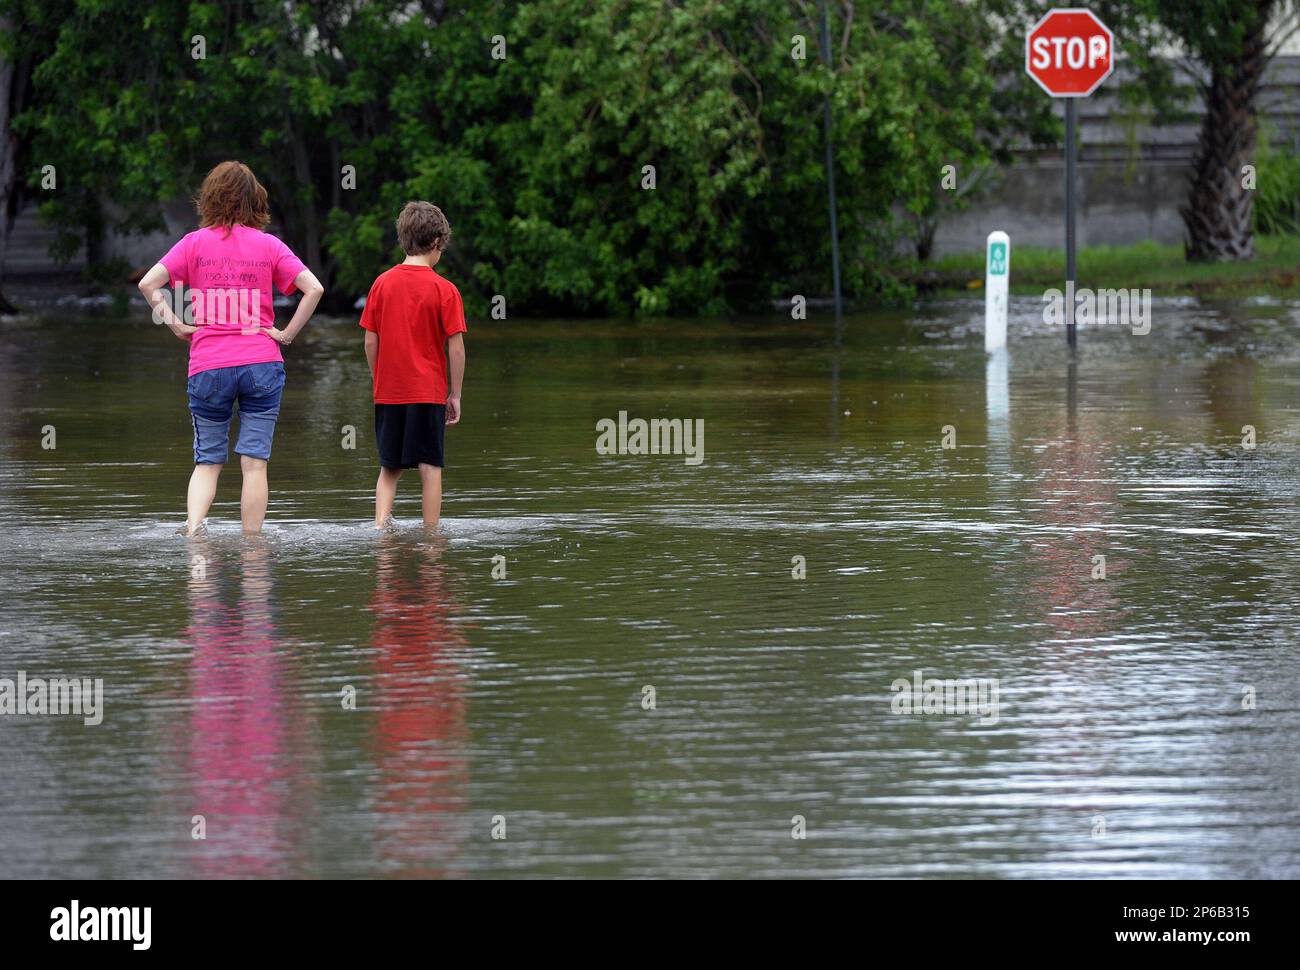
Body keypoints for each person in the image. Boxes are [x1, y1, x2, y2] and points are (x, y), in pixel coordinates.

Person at [138, 160, 324, 536]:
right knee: (254, 464)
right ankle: (252, 546)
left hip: (208, 365)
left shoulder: (193, 243)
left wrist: (175, 323)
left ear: (210, 198)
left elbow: (147, 283)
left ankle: (193, 533)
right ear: (254, 200)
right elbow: (314, 288)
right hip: (261, 363)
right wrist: (286, 335)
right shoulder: (269, 245)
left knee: (207, 462)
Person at [359, 201, 467, 530]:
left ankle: (380, 527)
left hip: (389, 392)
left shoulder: (381, 284)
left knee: (389, 467)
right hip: (428, 393)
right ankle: (432, 535)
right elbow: (456, 347)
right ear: (436, 242)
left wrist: (379, 379)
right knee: (430, 466)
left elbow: (369, 340)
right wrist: (456, 394)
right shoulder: (445, 290)